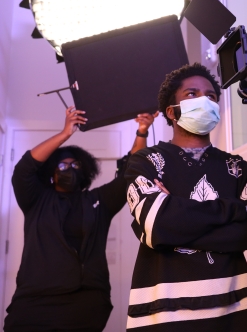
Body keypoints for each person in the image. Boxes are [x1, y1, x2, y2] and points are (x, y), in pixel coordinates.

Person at [124, 63, 247, 332]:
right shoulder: (146, 162)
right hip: (163, 315)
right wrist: (235, 210)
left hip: (237, 311)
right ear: (172, 112)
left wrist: (175, 220)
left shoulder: (237, 166)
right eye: (192, 94)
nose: (204, 100)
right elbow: (157, 225)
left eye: (211, 96)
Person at [5, 107, 157, 331]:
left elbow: (130, 175)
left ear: (85, 172)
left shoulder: (97, 201)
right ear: (52, 172)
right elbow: (24, 169)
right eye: (63, 165)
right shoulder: (36, 199)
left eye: (75, 165)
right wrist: (65, 133)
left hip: (84, 303)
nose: (69, 168)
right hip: (33, 301)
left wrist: (142, 132)